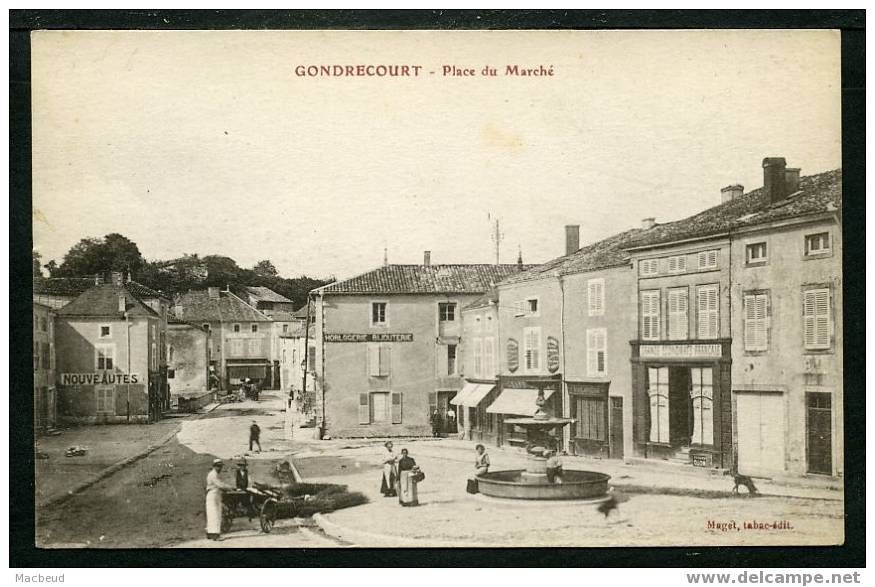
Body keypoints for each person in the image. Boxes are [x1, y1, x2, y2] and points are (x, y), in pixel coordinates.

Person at [205, 458, 234, 540]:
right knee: (215, 514)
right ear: (215, 466)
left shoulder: (213, 474)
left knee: (211, 514)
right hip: (213, 495)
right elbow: (220, 485)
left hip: (215, 495)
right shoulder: (213, 475)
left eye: (220, 466)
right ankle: (215, 535)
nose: (220, 468)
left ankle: (210, 533)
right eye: (219, 466)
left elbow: (220, 484)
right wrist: (230, 487)